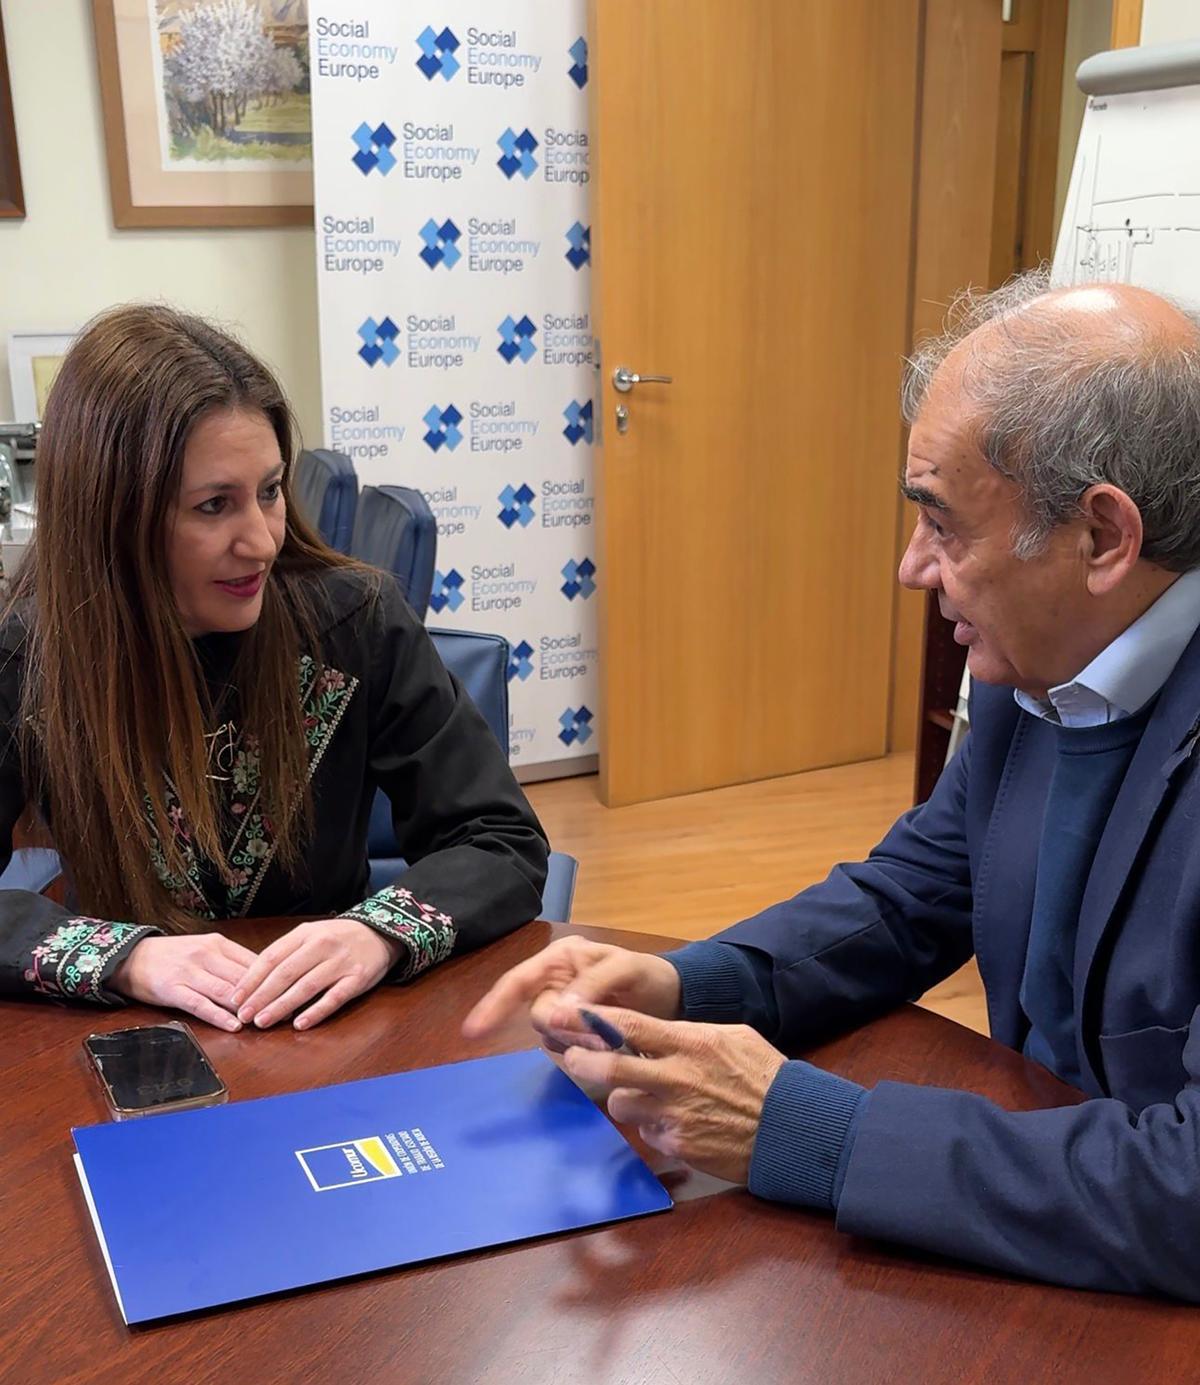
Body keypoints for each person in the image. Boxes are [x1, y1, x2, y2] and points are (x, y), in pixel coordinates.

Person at [465, 271, 1200, 1300]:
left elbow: (1185, 1185)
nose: (911, 567)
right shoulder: (1038, 660)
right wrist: (689, 984)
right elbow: (912, 896)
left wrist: (810, 1128)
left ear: (1104, 537)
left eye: (943, 524)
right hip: (1042, 1235)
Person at [0, 304, 547, 1030]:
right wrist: (128, 957)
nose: (260, 541)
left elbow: (499, 840)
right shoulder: (33, 656)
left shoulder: (358, 621)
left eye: (269, 490)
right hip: (132, 1033)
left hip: (331, 1026)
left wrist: (374, 933)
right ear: (113, 519)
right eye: (214, 506)